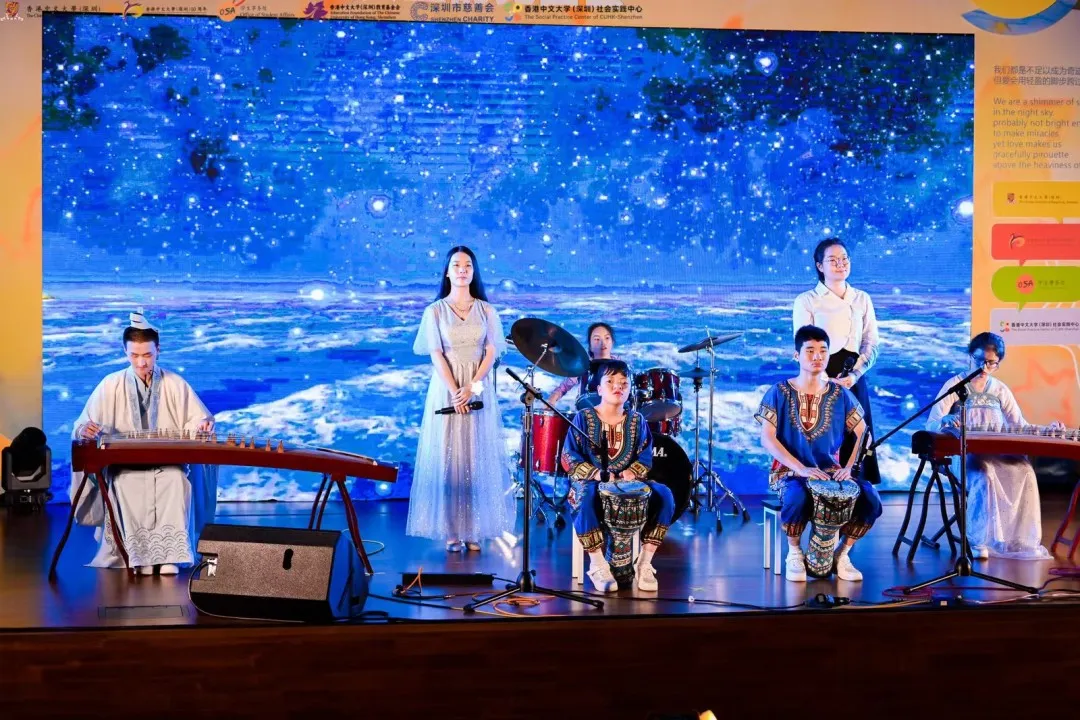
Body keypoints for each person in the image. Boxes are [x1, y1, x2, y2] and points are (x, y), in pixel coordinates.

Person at [71, 311, 218, 575]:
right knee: (124, 483)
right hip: (124, 466)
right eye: (134, 355)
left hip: (167, 464)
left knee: (176, 481)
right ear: (125, 352)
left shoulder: (175, 383)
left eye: (147, 355)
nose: (141, 362)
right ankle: (137, 556)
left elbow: (197, 419)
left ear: (158, 350)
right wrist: (86, 429)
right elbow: (82, 425)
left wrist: (202, 426)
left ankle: (171, 556)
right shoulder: (110, 385)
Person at [407, 246, 515, 552]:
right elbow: (436, 353)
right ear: (447, 271)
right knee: (450, 461)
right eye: (456, 265)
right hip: (446, 387)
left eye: (468, 264)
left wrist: (472, 387)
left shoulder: (487, 310)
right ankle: (452, 530)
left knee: (476, 457)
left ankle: (474, 529)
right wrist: (456, 390)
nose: (462, 269)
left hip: (478, 387)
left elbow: (491, 352)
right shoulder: (435, 311)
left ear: (474, 271)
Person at [756, 325, 882, 583]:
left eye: (823, 351)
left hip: (830, 471)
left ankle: (842, 554)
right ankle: (794, 552)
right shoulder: (779, 392)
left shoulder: (840, 394)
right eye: (810, 350)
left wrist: (848, 467)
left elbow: (863, 433)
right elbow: (767, 438)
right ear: (797, 355)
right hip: (788, 472)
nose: (817, 356)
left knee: (871, 499)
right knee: (796, 496)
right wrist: (801, 469)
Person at [926, 332, 1057, 560]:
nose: (983, 367)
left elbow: (1020, 425)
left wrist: (1048, 428)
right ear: (970, 356)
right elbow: (932, 422)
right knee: (984, 473)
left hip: (996, 453)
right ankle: (979, 541)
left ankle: (1017, 539)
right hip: (964, 454)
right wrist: (945, 420)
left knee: (1025, 471)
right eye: (979, 360)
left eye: (991, 363)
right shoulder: (955, 385)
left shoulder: (1000, 389)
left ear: (998, 363)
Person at [560, 360, 674, 593]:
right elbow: (568, 457)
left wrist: (633, 472)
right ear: (599, 389)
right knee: (584, 497)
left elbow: (645, 457)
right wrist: (595, 474)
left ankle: (644, 563)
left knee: (665, 495)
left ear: (630, 389)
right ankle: (598, 564)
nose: (617, 387)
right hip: (591, 482)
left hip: (629, 483)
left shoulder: (637, 420)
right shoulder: (583, 418)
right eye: (610, 381)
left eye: (623, 383)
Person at [792, 238, 881, 485]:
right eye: (833, 260)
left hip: (853, 377)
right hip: (819, 377)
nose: (840, 264)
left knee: (859, 434)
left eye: (844, 259)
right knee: (823, 437)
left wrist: (855, 375)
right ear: (820, 266)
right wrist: (824, 380)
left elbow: (871, 343)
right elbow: (804, 345)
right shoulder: (807, 300)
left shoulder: (862, 298)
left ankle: (859, 493)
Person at [548, 322, 623, 410]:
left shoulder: (620, 364)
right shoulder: (583, 364)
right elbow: (564, 387)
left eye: (607, 338)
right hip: (587, 411)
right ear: (590, 346)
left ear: (612, 342)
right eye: (597, 339)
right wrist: (552, 399)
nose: (603, 343)